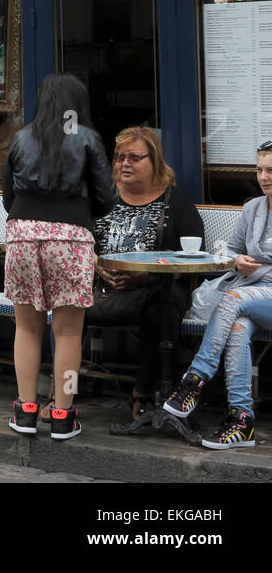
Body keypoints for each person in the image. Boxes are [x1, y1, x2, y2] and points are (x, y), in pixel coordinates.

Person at [2, 73, 114, 440]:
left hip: (22, 235)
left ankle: (26, 410)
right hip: (70, 236)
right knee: (67, 332)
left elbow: (8, 196)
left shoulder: (20, 137)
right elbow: (107, 196)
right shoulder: (87, 138)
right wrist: (77, 213)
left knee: (26, 327)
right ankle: (63, 414)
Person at [163, 143, 272, 448]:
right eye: (260, 169)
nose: (264, 177)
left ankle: (193, 381)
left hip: (249, 294)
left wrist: (256, 269)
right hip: (252, 296)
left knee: (234, 300)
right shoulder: (254, 208)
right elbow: (233, 250)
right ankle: (242, 420)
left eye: (271, 170)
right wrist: (237, 261)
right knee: (237, 326)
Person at [89, 126, 203, 418]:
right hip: (100, 288)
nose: (124, 163)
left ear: (154, 160)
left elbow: (194, 257)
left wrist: (149, 276)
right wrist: (98, 266)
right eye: (119, 157)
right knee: (64, 299)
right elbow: (78, 240)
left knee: (164, 308)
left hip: (155, 288)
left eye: (134, 157)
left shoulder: (175, 202)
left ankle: (145, 390)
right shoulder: (101, 198)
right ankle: (60, 390)